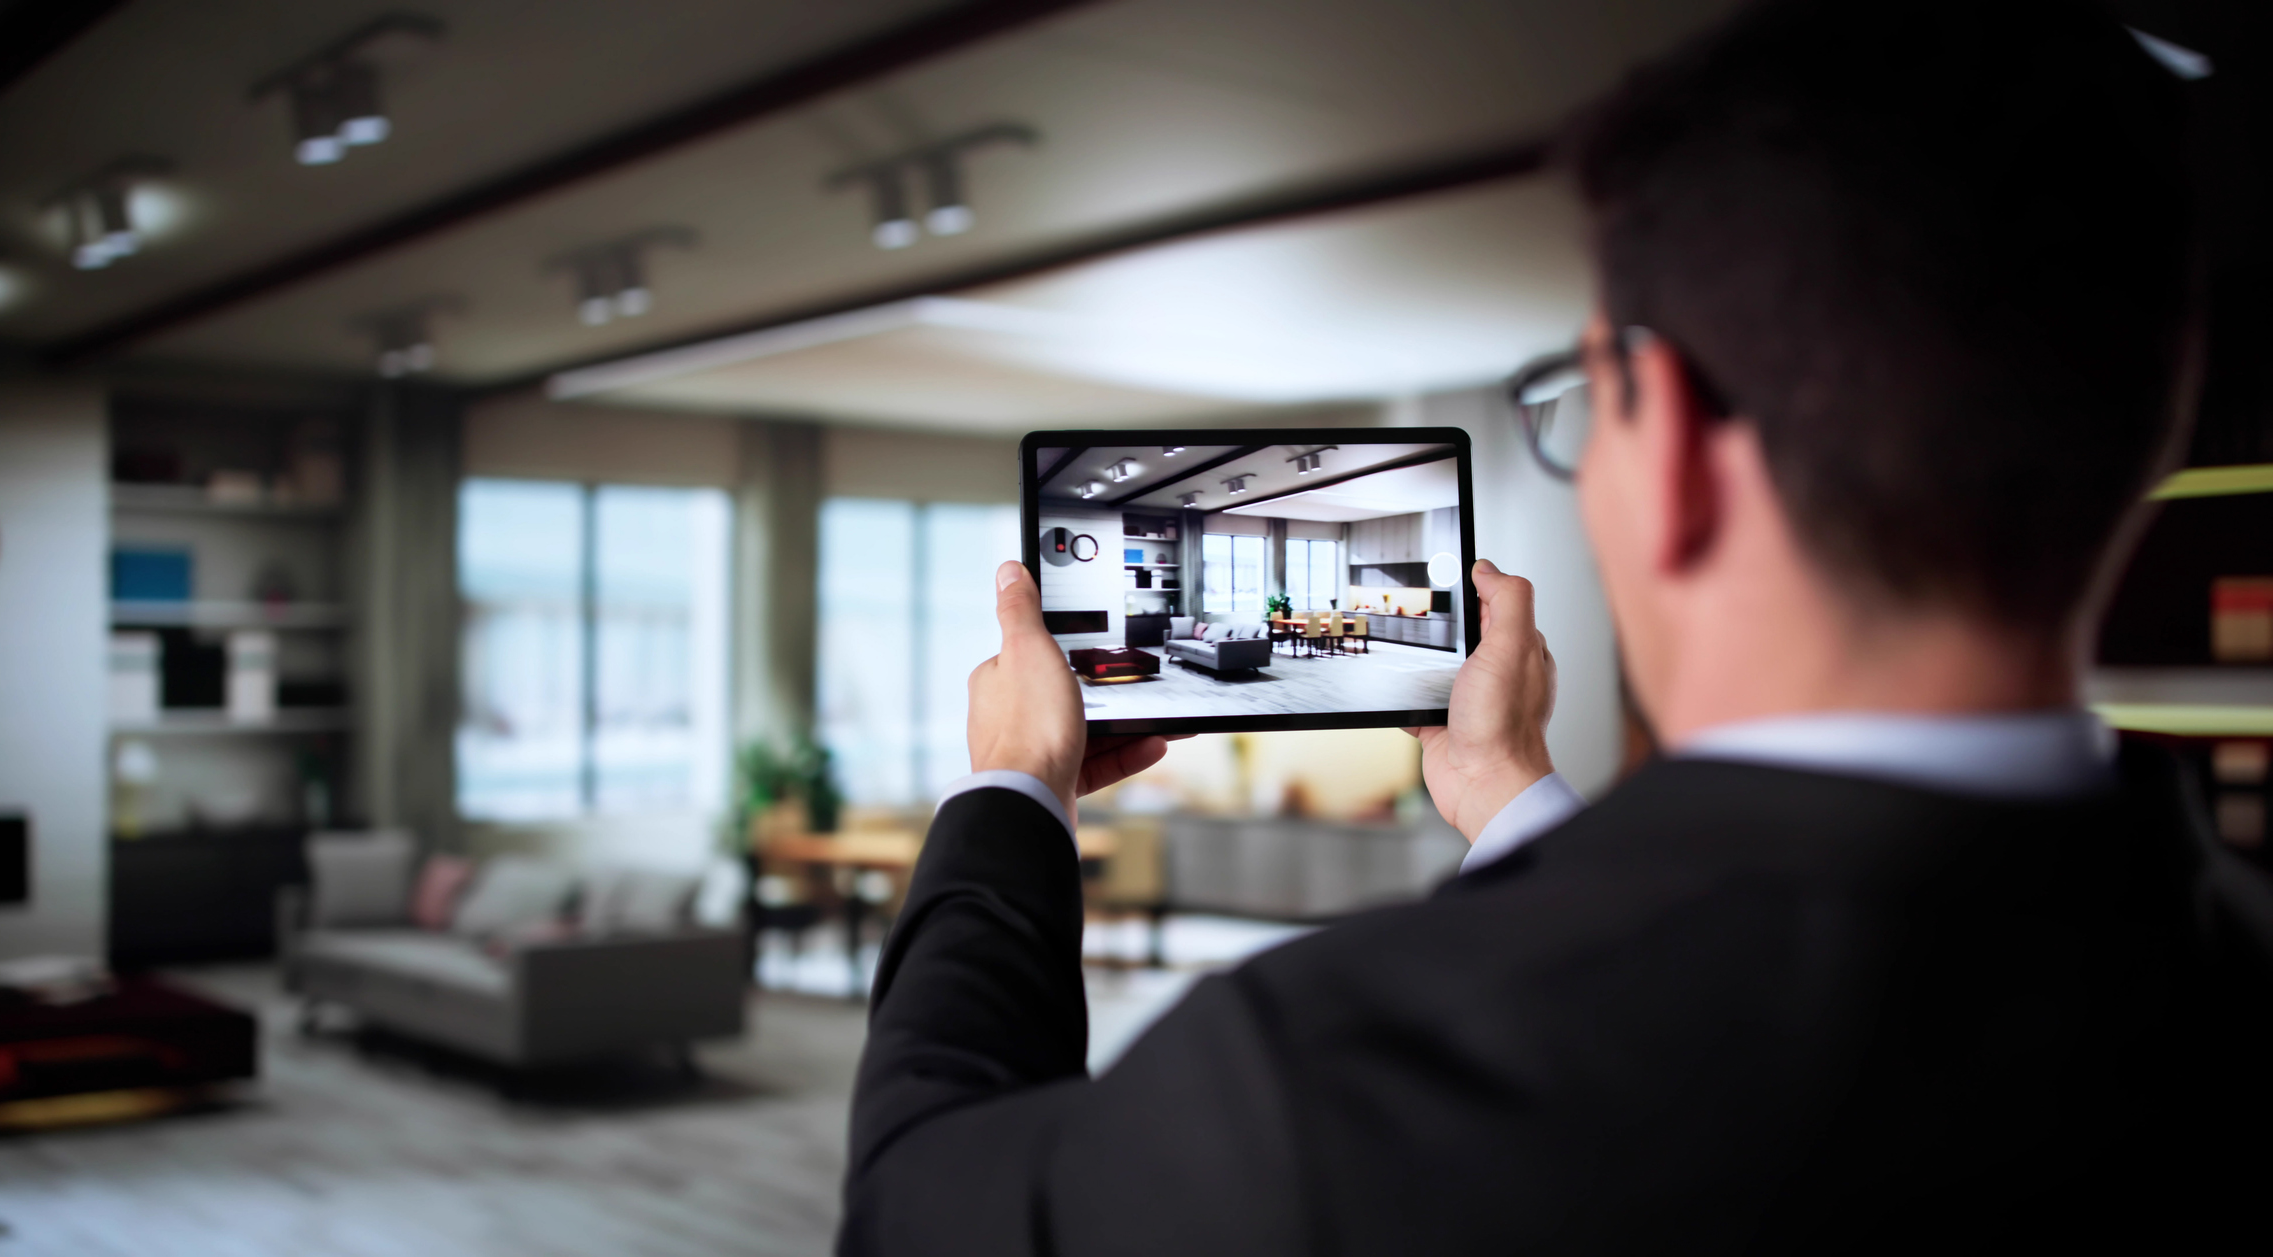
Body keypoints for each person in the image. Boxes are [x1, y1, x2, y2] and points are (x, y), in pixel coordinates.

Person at [841, 1, 2273, 1251]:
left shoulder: (1332, 1075)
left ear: (1680, 454)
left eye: (1585, 403)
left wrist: (1011, 793)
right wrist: (1510, 798)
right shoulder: (2221, 979)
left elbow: (916, 1205)